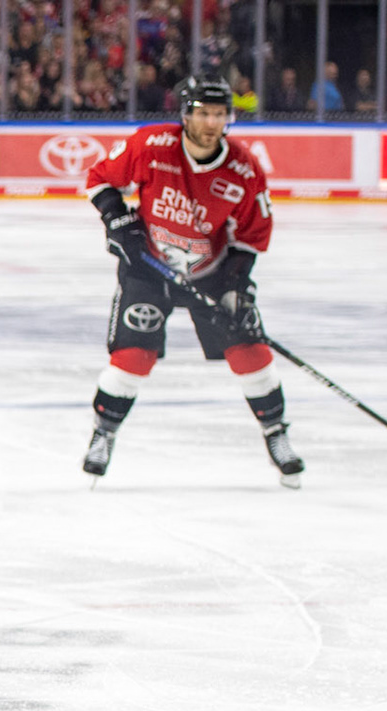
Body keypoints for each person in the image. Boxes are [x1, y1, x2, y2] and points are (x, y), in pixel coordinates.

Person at [79, 77, 301, 487]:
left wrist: (236, 283)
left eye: (219, 113)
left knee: (250, 352)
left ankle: (276, 434)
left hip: (212, 273)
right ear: (186, 114)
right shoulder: (151, 145)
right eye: (203, 113)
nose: (211, 122)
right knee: (132, 359)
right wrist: (116, 219)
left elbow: (253, 235)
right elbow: (98, 178)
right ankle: (103, 433)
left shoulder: (243, 168)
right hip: (148, 267)